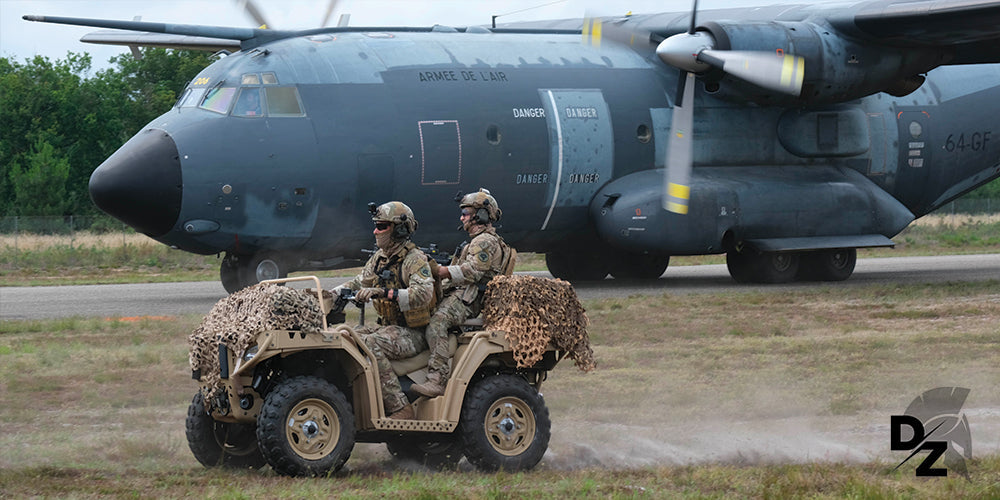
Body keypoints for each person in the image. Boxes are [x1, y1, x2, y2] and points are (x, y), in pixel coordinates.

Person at [336, 201, 436, 419]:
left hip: (413, 332)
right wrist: (327, 294)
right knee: (343, 336)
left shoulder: (415, 259)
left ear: (399, 229)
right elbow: (358, 282)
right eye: (376, 225)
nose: (375, 231)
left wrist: (382, 293)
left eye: (381, 226)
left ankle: (401, 408)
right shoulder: (379, 259)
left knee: (369, 344)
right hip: (388, 328)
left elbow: (423, 294)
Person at [411, 188, 515, 398]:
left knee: (437, 323)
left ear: (481, 215)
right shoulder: (476, 242)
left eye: (466, 212)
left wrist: (442, 271)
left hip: (471, 297)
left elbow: (474, 272)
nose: (462, 217)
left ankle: (436, 379)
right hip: (465, 293)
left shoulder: (484, 242)